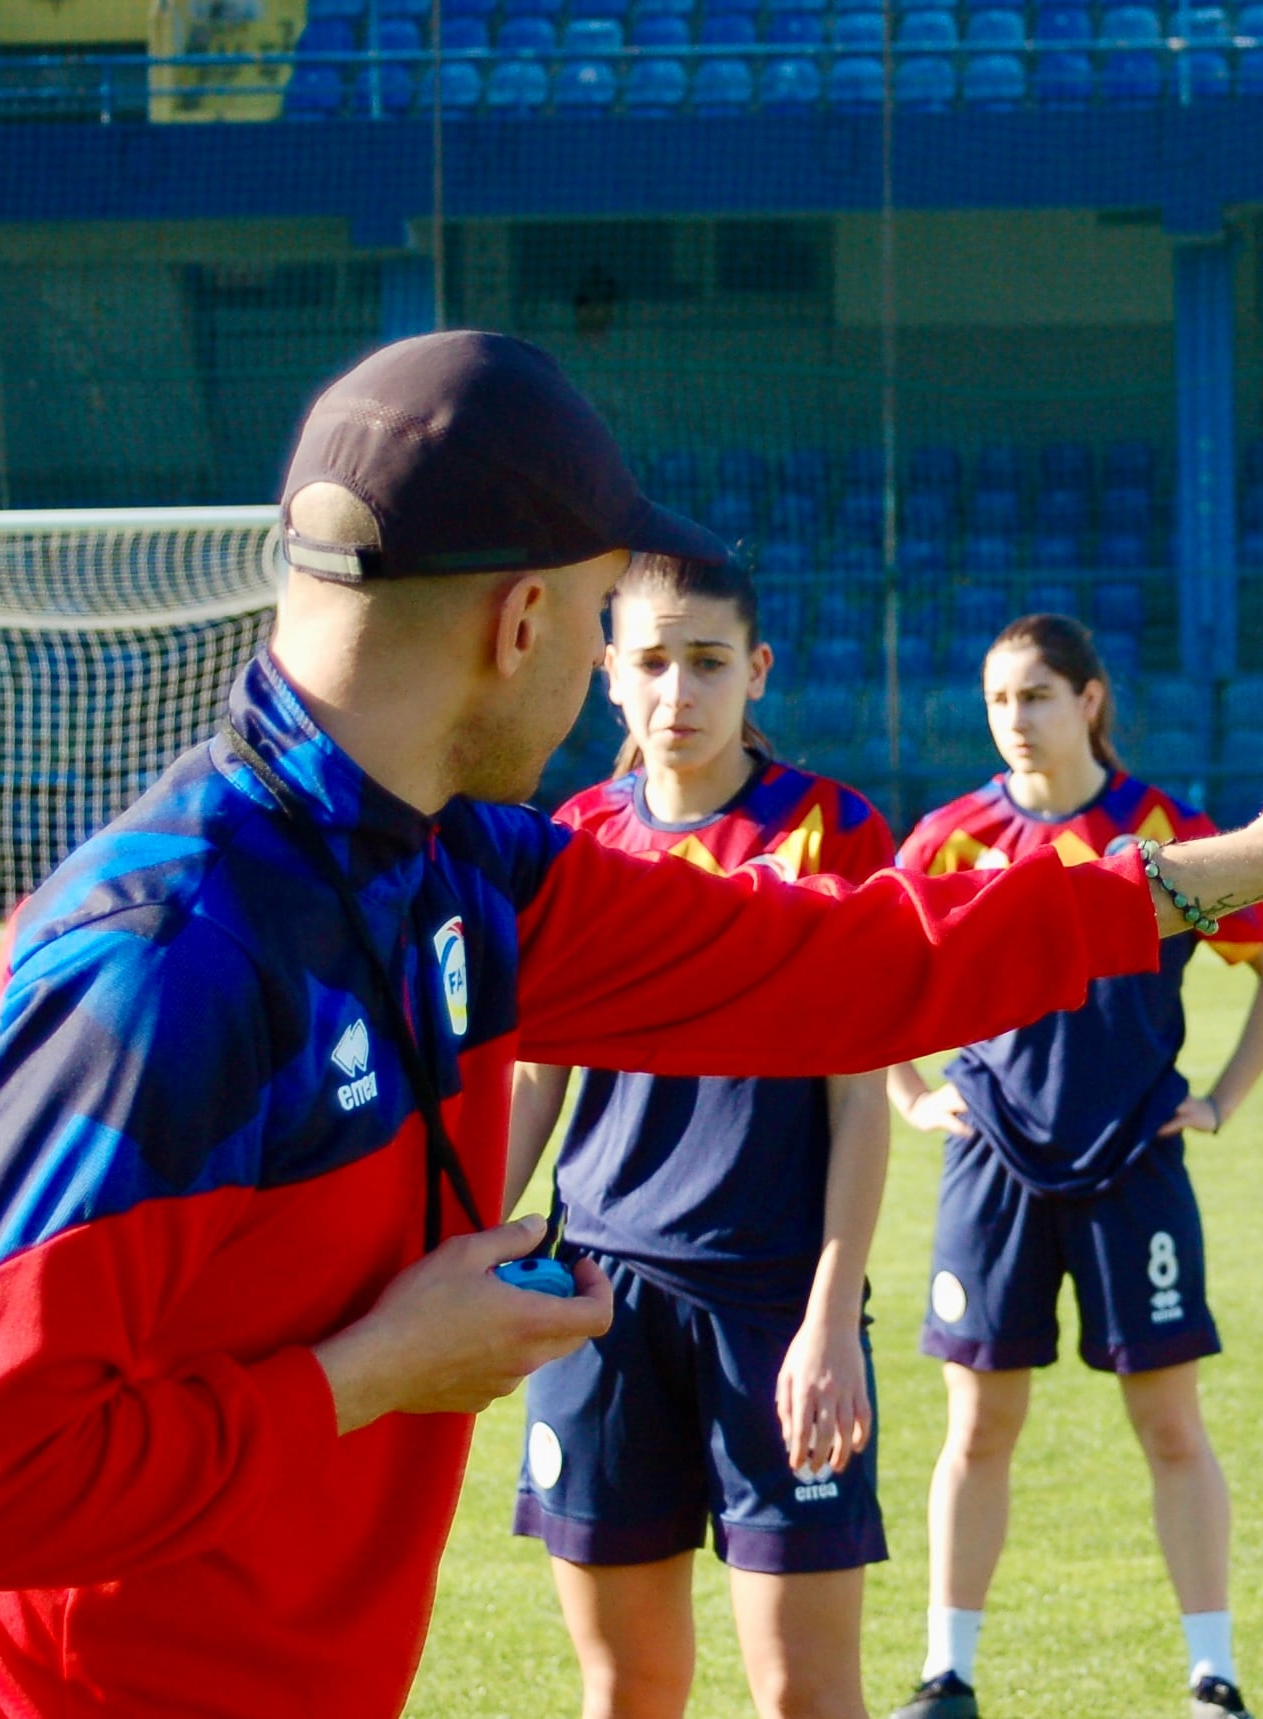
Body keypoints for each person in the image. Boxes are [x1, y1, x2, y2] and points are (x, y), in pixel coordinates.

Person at [0, 330, 1263, 1719]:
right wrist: (369, 1370)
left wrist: (1244, 861)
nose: (608, 671)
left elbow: (861, 962)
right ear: (519, 624)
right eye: (595, 615)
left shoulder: (462, 869)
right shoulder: (166, 959)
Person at [884, 616, 1263, 1719]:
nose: (1014, 721)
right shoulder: (948, 837)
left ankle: (1212, 1677)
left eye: (1034, 696)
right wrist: (916, 1095)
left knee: (1170, 1426)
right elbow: (871, 980)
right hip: (994, 1170)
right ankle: (948, 1676)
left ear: (1090, 702)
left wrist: (1214, 1102)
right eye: (995, 701)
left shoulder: (1161, 830)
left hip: (1133, 1160)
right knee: (977, 1429)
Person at [504, 549, 899, 1719]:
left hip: (773, 1305)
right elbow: (535, 1078)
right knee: (626, 1688)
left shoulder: (830, 832)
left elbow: (856, 1094)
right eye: (653, 662)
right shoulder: (573, 839)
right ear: (608, 676)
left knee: (806, 1695)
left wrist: (829, 1318)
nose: (680, 692)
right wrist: (469, 1248)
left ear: (757, 671)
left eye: (709, 663)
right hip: (597, 1299)